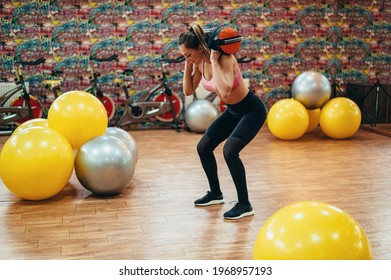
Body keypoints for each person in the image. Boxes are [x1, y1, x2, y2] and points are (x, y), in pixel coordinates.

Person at [178, 22, 268, 220]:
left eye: (188, 54)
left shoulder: (225, 58)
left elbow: (225, 91)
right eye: (184, 56)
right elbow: (187, 90)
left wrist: (213, 60)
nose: (188, 58)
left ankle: (245, 204)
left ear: (200, 48)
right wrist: (188, 64)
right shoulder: (199, 62)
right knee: (203, 147)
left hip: (252, 110)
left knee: (230, 151)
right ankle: (215, 193)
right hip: (234, 111)